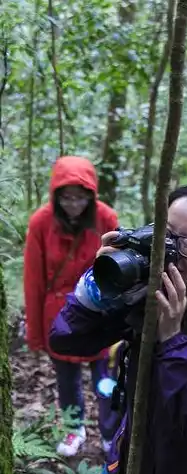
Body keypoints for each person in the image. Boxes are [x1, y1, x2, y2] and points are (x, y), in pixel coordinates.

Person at [49, 184, 187, 474]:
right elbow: (65, 340)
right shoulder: (147, 293)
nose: (169, 250)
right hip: (129, 457)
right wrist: (98, 287)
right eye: (166, 234)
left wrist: (173, 340)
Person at [23, 155, 119, 456]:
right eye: (66, 198)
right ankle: (73, 428)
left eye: (80, 198)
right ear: (56, 196)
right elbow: (34, 280)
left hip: (100, 312)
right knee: (66, 381)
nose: (74, 204)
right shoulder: (41, 222)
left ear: (91, 196)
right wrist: (37, 335)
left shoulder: (106, 218)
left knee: (106, 380)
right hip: (59, 316)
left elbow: (118, 268)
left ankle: (110, 432)